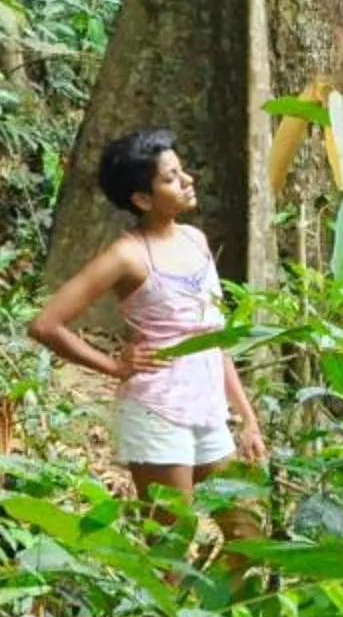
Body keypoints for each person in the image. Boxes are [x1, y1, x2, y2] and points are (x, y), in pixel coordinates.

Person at [28, 128, 266, 510]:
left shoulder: (196, 239)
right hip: (159, 414)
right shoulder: (127, 255)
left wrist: (247, 419)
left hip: (208, 412)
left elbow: (213, 339)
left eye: (182, 171)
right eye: (171, 178)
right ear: (141, 199)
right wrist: (113, 367)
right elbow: (46, 324)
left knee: (246, 534)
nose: (188, 181)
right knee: (172, 544)